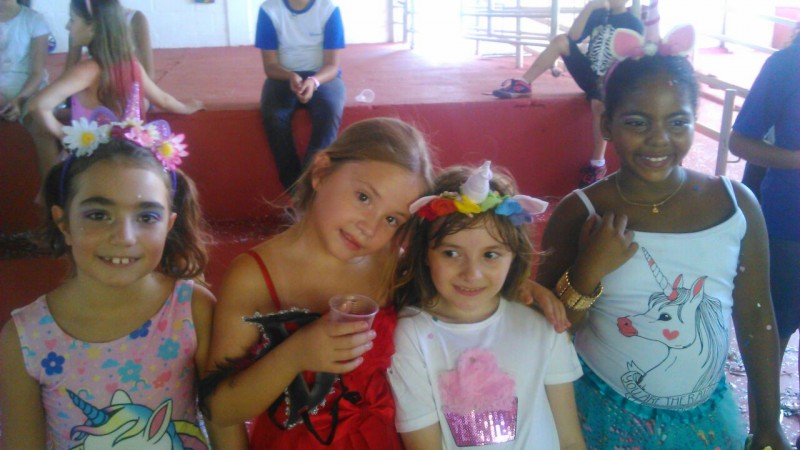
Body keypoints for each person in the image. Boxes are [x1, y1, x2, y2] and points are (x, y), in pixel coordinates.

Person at [536, 27, 791, 449]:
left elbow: (756, 316)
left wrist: (767, 423)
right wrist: (587, 271)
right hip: (601, 417)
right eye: (637, 122)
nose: (658, 139)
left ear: (694, 120)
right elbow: (543, 333)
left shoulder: (735, 206)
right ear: (607, 123)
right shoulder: (579, 212)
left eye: (677, 122)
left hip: (706, 418)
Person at [202, 117, 434, 449]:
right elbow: (220, 408)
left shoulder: (395, 268)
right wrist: (295, 355)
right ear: (321, 172)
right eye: (364, 197)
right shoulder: (255, 277)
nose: (369, 227)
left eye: (391, 219)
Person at [0, 118, 216, 448]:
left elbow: (222, 421)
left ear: (169, 225)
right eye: (99, 215)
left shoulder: (192, 309)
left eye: (147, 217)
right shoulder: (25, 338)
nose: (124, 237)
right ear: (64, 223)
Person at [387, 162, 586, 450]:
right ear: (425, 254)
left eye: (490, 255)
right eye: (451, 253)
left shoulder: (542, 324)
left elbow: (570, 439)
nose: (472, 274)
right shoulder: (412, 334)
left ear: (513, 256)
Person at [25, 0, 202, 183]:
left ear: (93, 27)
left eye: (72, 20)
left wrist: (65, 135)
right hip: (126, 159)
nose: (67, 26)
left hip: (88, 164)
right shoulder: (132, 65)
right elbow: (163, 100)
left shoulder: (87, 70)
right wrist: (188, 107)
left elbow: (36, 105)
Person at [729, 22, 800, 449]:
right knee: (773, 335)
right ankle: (765, 435)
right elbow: (740, 141)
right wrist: (796, 160)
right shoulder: (787, 65)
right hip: (788, 226)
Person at [492, 0, 643, 188]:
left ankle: (597, 164)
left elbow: (636, 60)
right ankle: (524, 83)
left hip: (612, 79)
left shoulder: (633, 23)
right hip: (589, 73)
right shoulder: (599, 15)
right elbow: (573, 37)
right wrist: (590, 7)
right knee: (561, 40)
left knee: (599, 105)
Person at [255, 0, 346, 190]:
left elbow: (332, 66)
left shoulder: (328, 10)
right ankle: (294, 188)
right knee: (274, 116)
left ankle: (310, 183)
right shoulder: (269, 10)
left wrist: (314, 81)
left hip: (322, 76)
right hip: (283, 76)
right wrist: (290, 76)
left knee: (329, 111)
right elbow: (270, 67)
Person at [64, 5, 155, 81]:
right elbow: (69, 69)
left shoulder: (136, 19)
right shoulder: (81, 20)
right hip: (96, 83)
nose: (67, 26)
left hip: (127, 85)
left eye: (72, 20)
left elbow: (149, 73)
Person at [0, 0, 50, 123]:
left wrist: (19, 99)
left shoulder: (34, 20)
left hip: (28, 89)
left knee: (37, 111)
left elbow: (37, 72)